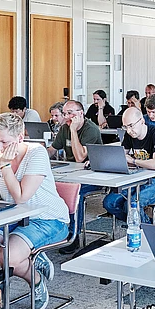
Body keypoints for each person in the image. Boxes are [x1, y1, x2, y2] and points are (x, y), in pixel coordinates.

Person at [0, 112, 70, 309]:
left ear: (20, 138)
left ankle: (37, 281)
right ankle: (33, 257)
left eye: (4, 142)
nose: (0, 147)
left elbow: (21, 197)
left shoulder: (36, 153)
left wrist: (5, 166)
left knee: (7, 258)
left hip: (48, 219)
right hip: (14, 217)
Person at [102, 108, 155, 223]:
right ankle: (141, 222)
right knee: (109, 203)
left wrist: (133, 161)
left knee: (132, 204)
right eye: (125, 127)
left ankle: (143, 228)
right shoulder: (129, 135)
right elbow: (121, 157)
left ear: (142, 121)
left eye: (131, 126)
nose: (129, 130)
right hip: (138, 178)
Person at [51, 101, 103, 254]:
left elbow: (79, 157)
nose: (67, 117)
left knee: (76, 194)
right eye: (65, 113)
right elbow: (52, 150)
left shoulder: (91, 129)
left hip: (92, 177)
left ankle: (74, 235)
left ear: (81, 113)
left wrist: (73, 131)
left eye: (70, 113)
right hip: (71, 174)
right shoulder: (64, 128)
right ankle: (54, 231)